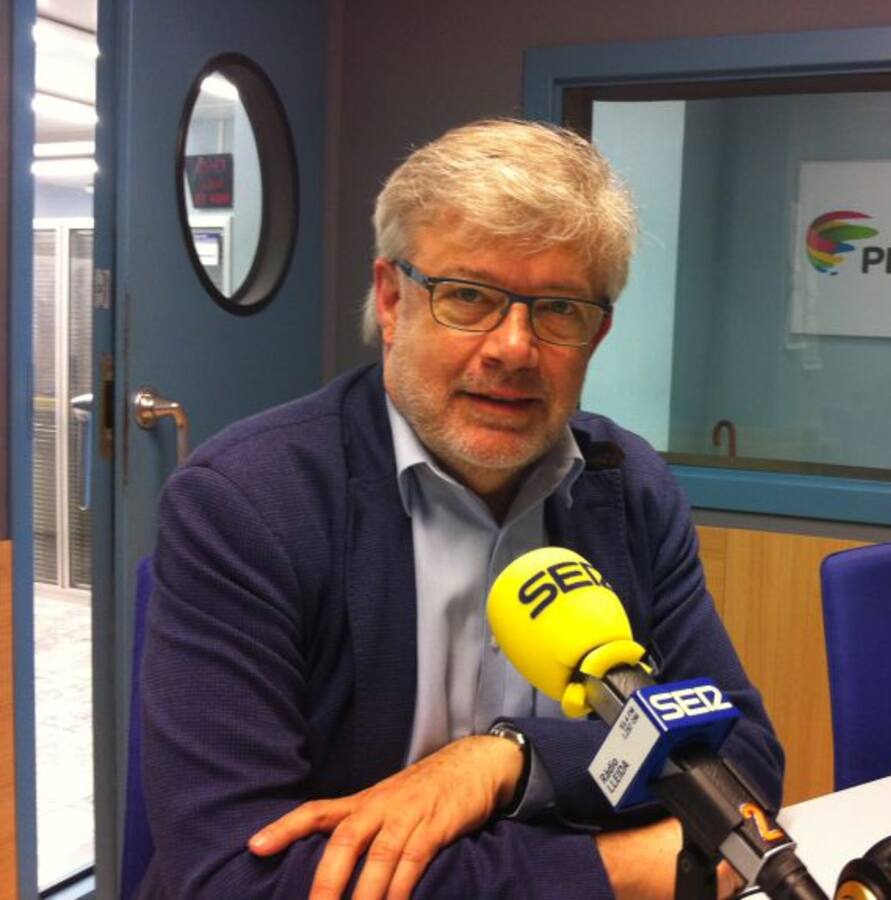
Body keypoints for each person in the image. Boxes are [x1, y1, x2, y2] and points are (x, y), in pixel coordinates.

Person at [137, 118, 784, 899]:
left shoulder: (627, 489)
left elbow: (740, 764)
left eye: (559, 309)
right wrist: (616, 871)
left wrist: (514, 761)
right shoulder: (246, 503)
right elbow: (234, 879)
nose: (514, 347)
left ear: (597, 334)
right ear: (391, 300)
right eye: (468, 296)